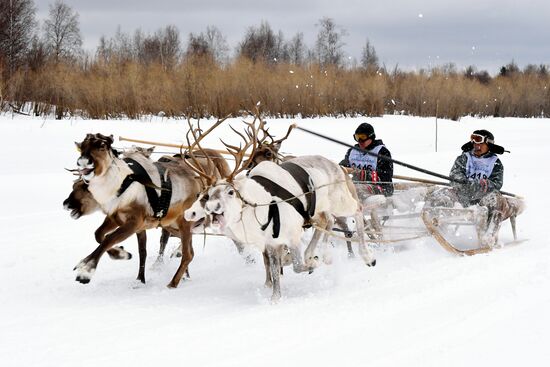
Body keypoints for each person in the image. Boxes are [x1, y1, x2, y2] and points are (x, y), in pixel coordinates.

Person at [425, 129, 511, 247]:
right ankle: (433, 229)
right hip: (462, 196)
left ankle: (489, 236)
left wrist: (482, 185)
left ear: (489, 144)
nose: (476, 145)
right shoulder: (464, 158)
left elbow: (496, 183)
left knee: (496, 199)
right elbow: (454, 176)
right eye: (474, 142)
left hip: (483, 199)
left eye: (480, 142)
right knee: (440, 194)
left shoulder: (495, 163)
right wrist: (465, 184)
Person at [340, 122, 394, 198]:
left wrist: (363, 174)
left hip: (382, 188)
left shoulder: (382, 152)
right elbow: (344, 166)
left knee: (356, 190)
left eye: (363, 137)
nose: (360, 141)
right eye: (357, 137)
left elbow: (385, 177)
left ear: (371, 137)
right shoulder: (352, 151)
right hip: (357, 185)